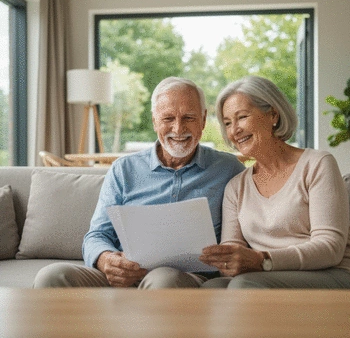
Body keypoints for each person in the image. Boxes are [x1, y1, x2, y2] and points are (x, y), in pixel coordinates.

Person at [34, 77, 245, 288]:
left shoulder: (227, 169)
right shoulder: (124, 169)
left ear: (203, 120)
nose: (178, 129)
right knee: (52, 276)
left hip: (185, 278)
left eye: (189, 117)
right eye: (168, 118)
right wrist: (107, 260)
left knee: (163, 279)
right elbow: (97, 235)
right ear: (154, 121)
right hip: (124, 275)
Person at [199, 75, 350, 289]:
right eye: (228, 123)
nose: (234, 130)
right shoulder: (236, 187)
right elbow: (231, 253)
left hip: (344, 274)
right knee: (210, 290)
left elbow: (330, 248)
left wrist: (263, 260)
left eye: (242, 117)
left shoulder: (317, 164)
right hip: (274, 276)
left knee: (244, 285)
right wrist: (226, 260)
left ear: (273, 115)